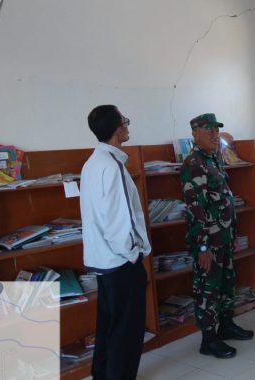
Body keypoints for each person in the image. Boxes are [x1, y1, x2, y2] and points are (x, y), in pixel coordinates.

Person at [81, 105, 151, 379]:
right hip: (121, 262)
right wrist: (133, 254)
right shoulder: (112, 167)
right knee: (127, 332)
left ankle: (102, 375)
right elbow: (119, 219)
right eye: (125, 121)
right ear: (117, 129)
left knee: (109, 325)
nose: (127, 126)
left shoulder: (91, 163)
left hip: (102, 261)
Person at [181, 113, 254, 359]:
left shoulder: (214, 159)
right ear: (195, 133)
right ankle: (209, 339)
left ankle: (226, 325)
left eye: (216, 130)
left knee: (225, 283)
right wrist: (203, 247)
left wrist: (231, 233)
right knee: (208, 288)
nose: (214, 135)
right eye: (208, 130)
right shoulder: (194, 164)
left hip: (223, 237)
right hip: (208, 242)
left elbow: (222, 200)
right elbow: (196, 209)